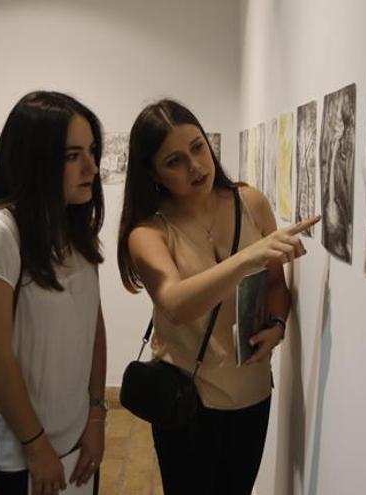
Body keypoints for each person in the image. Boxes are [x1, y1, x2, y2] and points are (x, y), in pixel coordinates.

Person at [117, 99, 319, 495]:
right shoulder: (148, 233)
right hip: (188, 401)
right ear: (152, 174)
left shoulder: (251, 203)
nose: (195, 166)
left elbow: (276, 285)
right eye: (174, 161)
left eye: (197, 146)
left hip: (252, 392)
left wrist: (277, 327)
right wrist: (249, 257)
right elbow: (175, 304)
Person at [0, 91, 108, 495]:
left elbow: (93, 324)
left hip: (73, 441)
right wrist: (36, 445)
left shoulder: (75, 233)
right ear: (34, 159)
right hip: (10, 450)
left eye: (91, 151)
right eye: (72, 155)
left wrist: (96, 418)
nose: (91, 166)